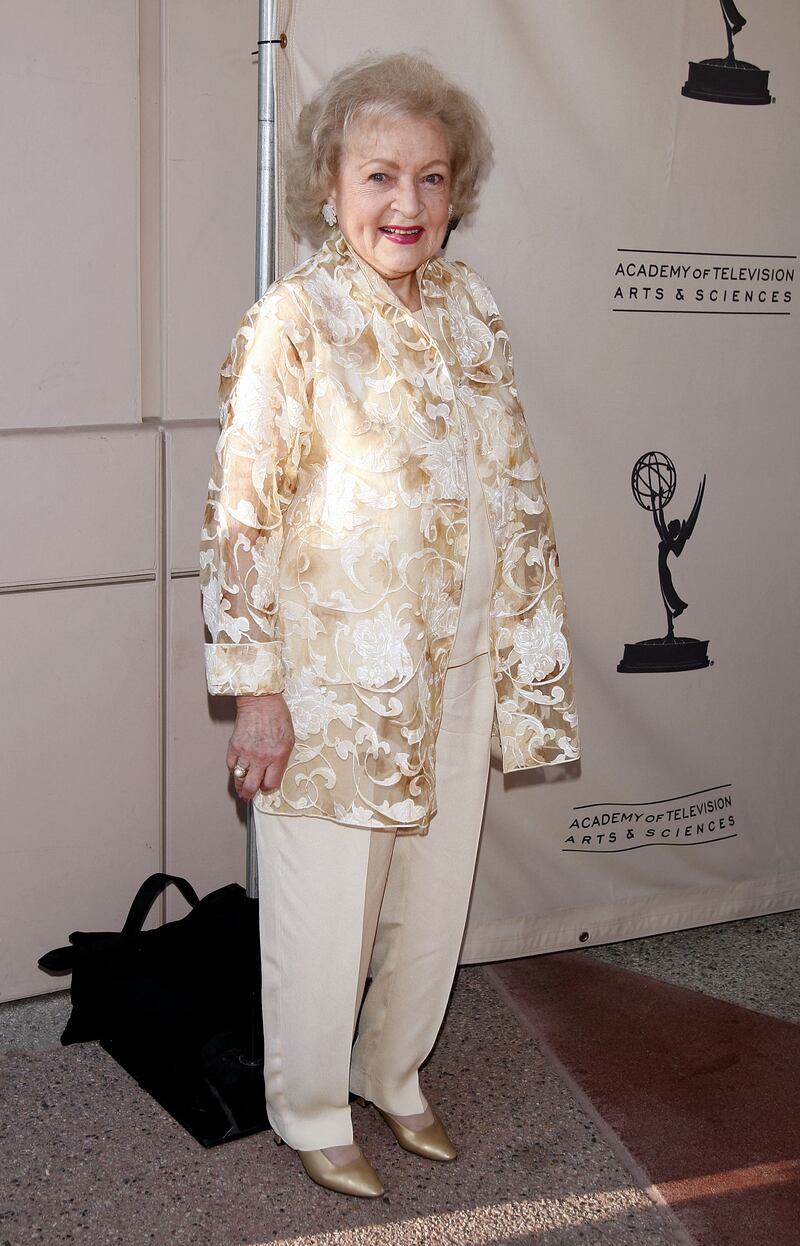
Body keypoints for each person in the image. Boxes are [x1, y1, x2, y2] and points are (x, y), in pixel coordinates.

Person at [200, 50, 579, 1198]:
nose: (405, 205)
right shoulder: (293, 321)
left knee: (432, 886)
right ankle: (310, 1102)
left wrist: (520, 649)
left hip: (457, 660)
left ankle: (393, 1067)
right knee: (325, 911)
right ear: (328, 183)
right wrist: (255, 689)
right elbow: (240, 518)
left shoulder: (472, 309)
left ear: (456, 189)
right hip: (333, 682)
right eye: (378, 176)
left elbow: (511, 480)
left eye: (429, 178)